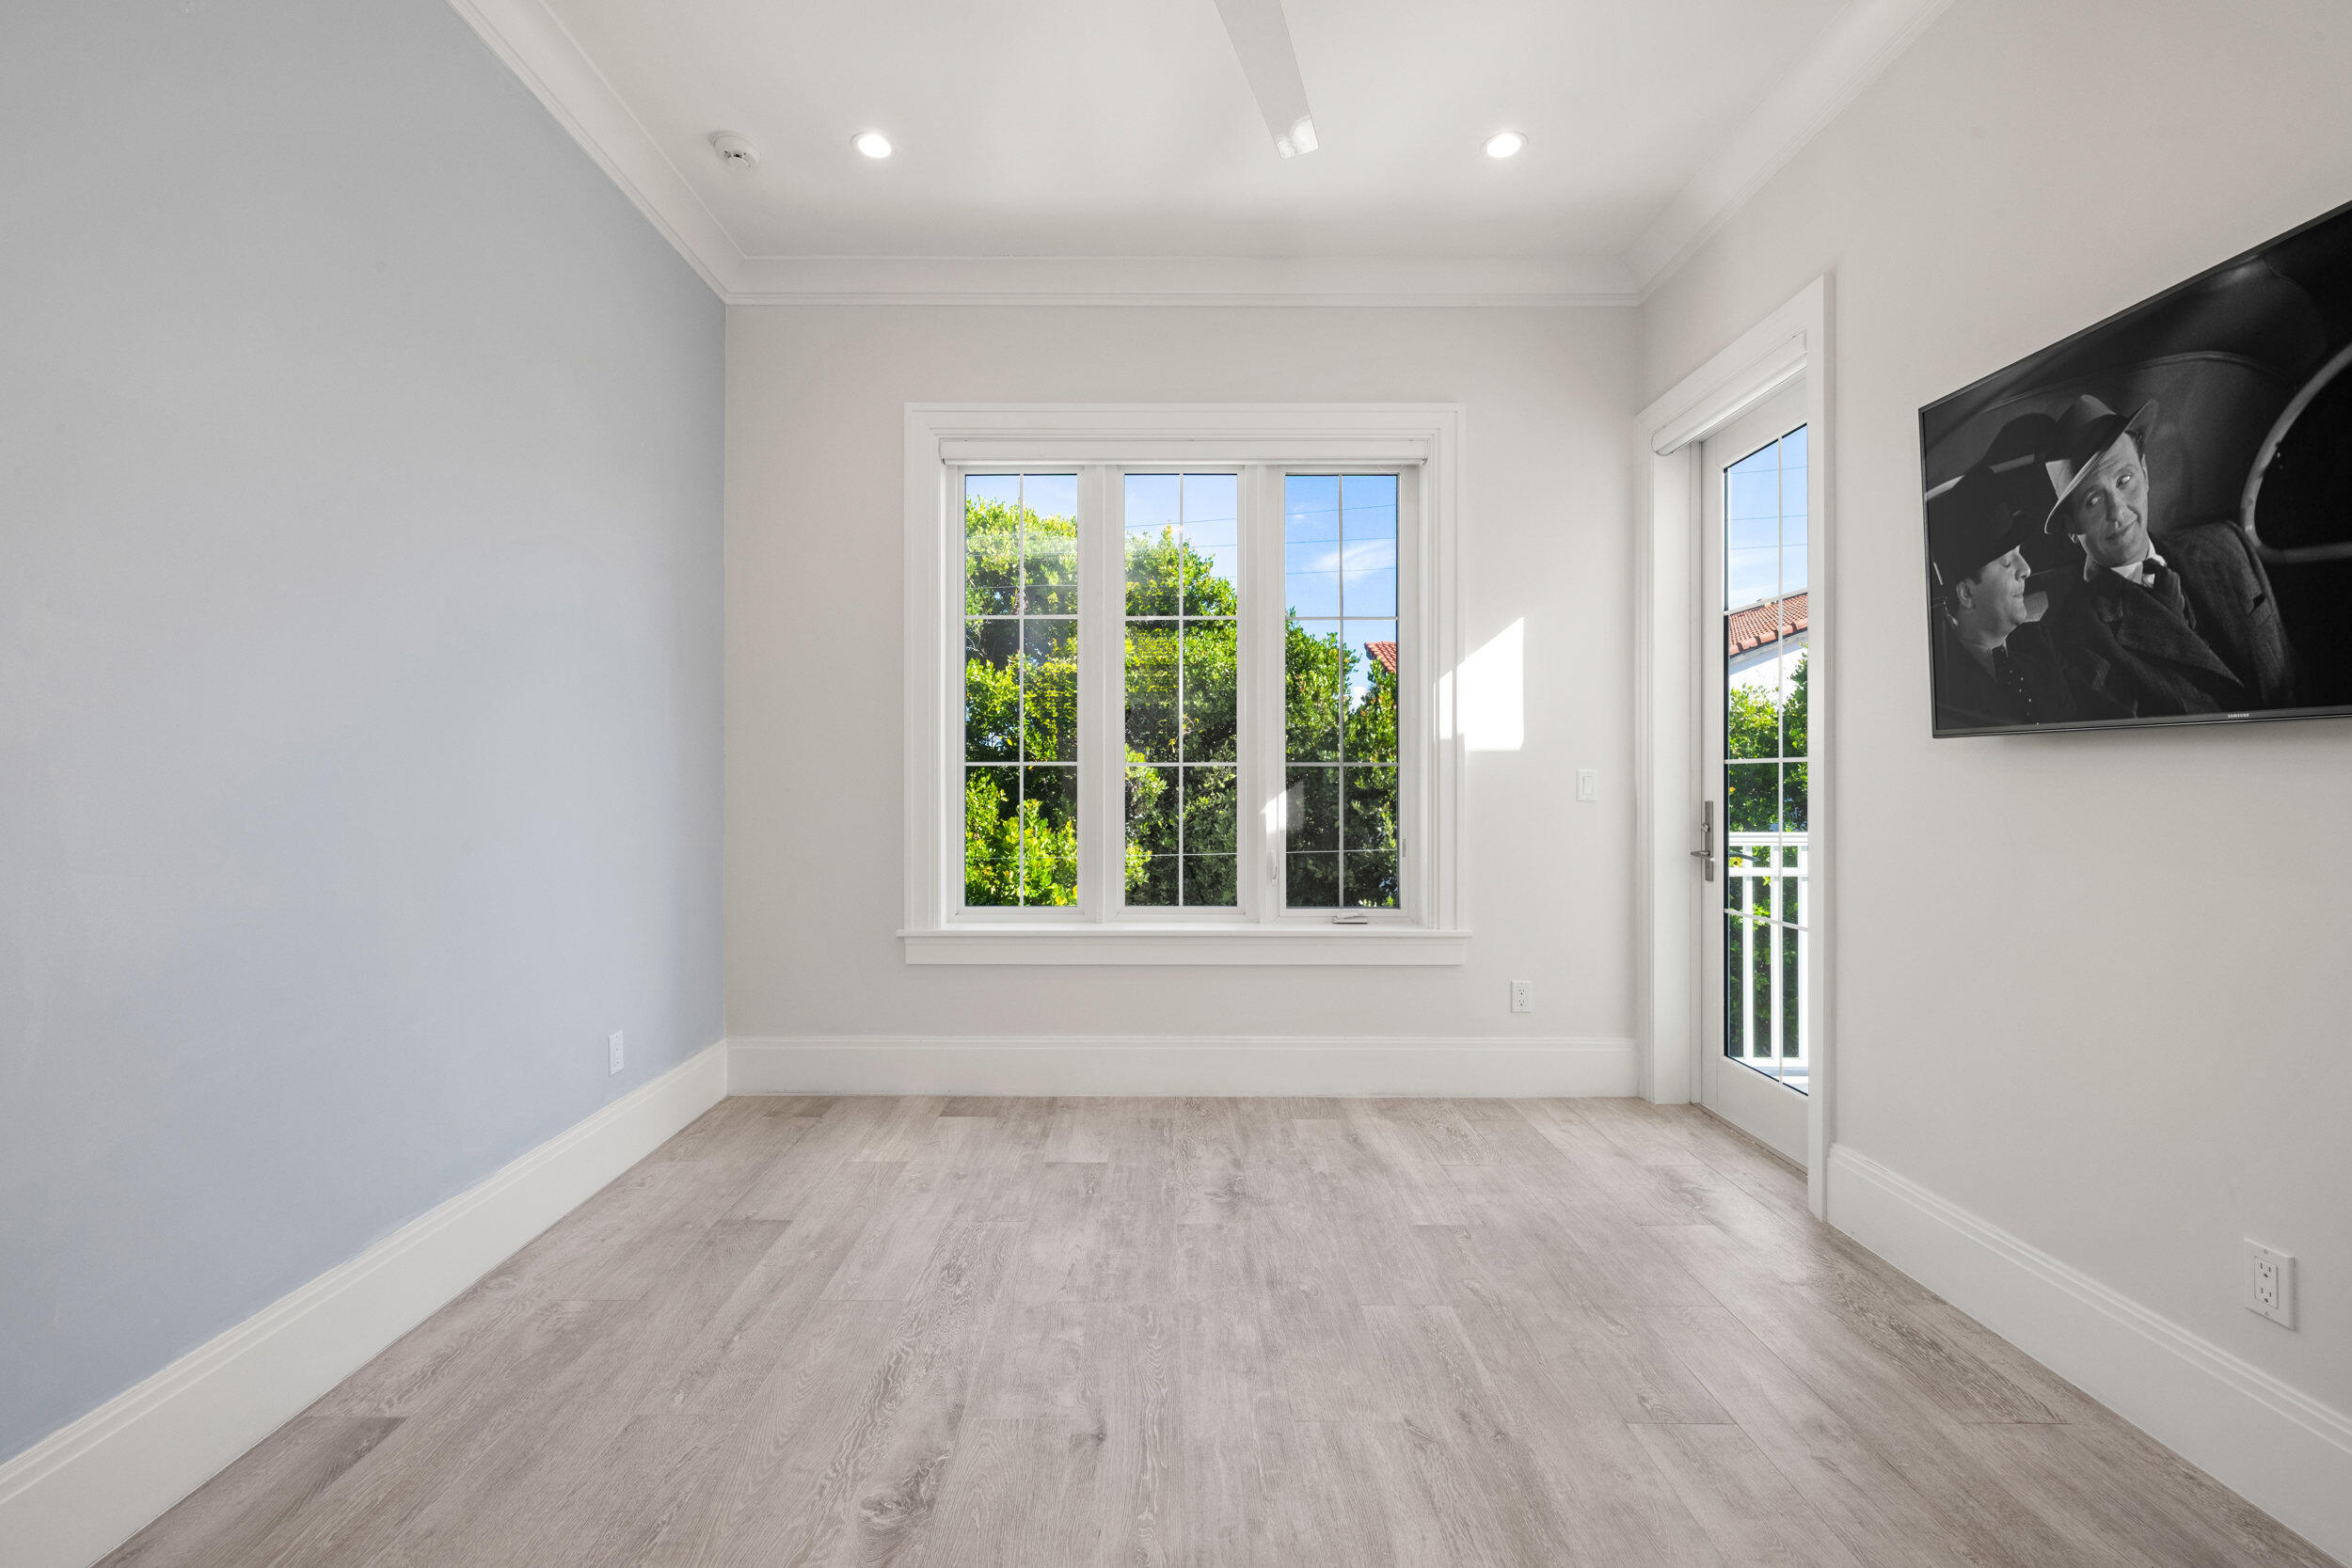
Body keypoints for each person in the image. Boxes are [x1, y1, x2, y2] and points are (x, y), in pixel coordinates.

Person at [2038, 394, 2301, 716]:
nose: (2117, 511)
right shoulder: (2078, 642)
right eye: (2093, 501)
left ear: (2145, 473)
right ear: (2070, 527)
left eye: (2124, 481)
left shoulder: (2228, 544)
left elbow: (2295, 676)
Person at [1929, 466, 2081, 729]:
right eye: (2006, 562)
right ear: (1966, 593)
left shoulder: (2039, 643)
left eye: (2019, 555)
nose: (2026, 570)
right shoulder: (1942, 687)